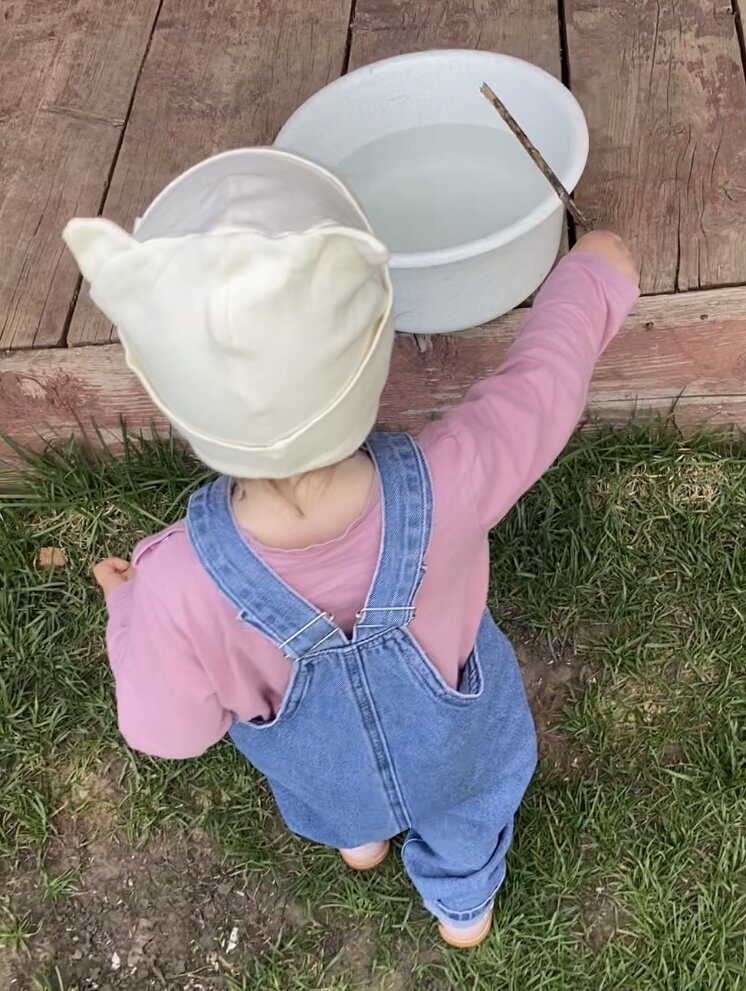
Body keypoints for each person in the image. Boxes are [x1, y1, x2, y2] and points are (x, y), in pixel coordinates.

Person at [63, 147, 639, 949]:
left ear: (175, 406)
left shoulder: (174, 583)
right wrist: (593, 276)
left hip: (324, 777)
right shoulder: (454, 473)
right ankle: (463, 906)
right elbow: (545, 380)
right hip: (460, 747)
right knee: (469, 806)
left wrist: (127, 605)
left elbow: (170, 732)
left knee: (344, 797)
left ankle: (362, 839)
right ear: (374, 358)